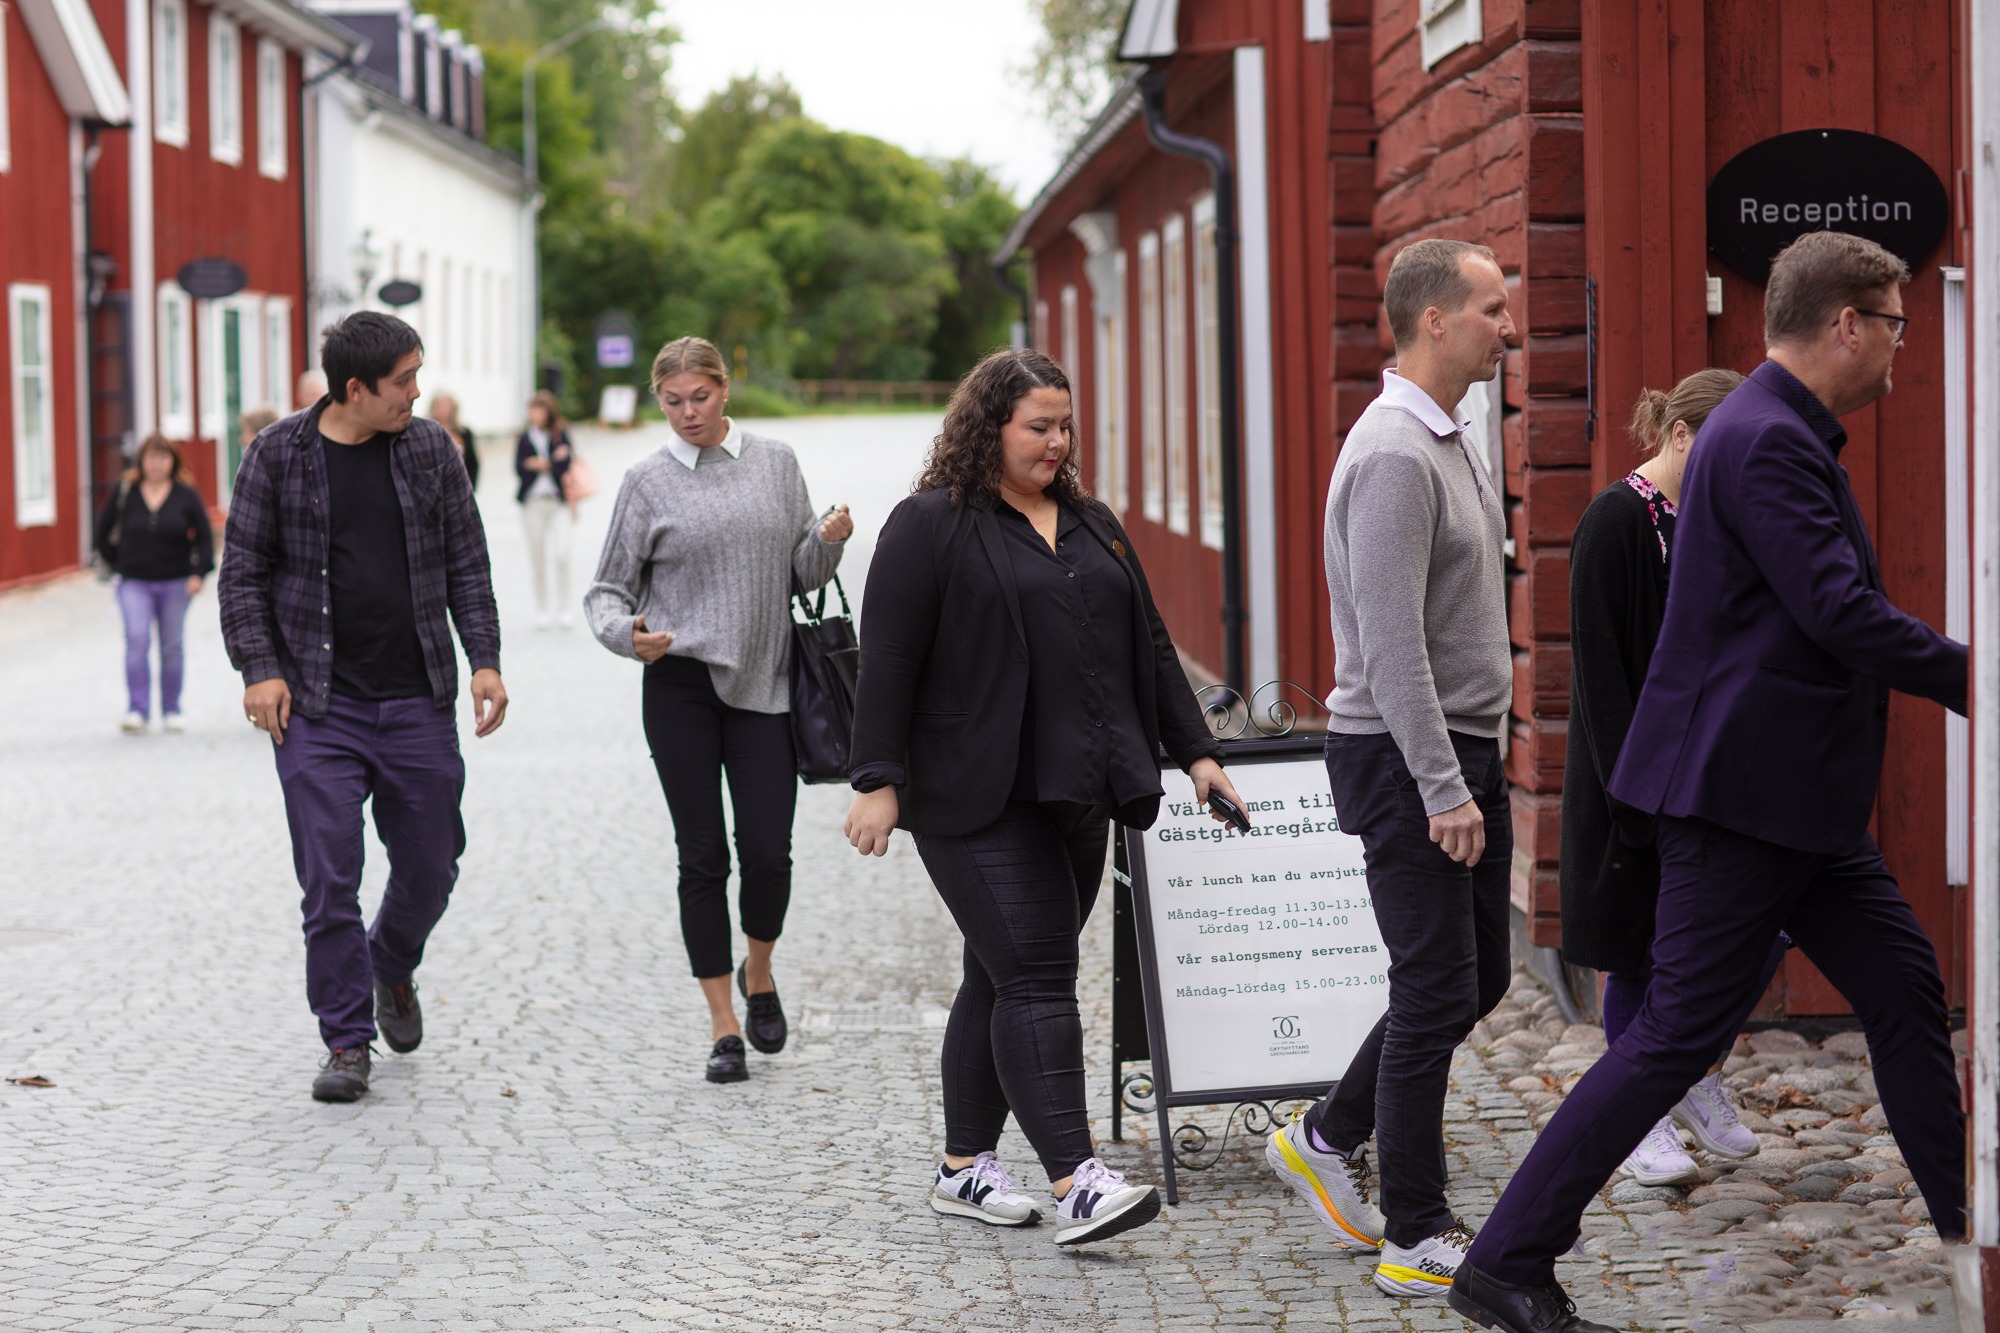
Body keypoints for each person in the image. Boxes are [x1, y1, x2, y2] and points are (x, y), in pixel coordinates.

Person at [1451, 231, 1969, 1333]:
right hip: (1741, 806)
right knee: (1669, 1038)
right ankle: (1504, 1261)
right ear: (1844, 325)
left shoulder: (1767, 431)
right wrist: (1978, 676)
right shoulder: (1767, 439)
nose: (1896, 350)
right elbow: (1836, 612)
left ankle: (1966, 1230)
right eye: (1893, 325)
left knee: (1903, 995)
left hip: (1796, 810)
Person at [843, 348, 1244, 1247]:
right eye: (1039, 426)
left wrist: (1198, 755)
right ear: (990, 426)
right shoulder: (928, 525)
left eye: (1065, 426)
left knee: (996, 973)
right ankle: (1077, 1180)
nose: (1057, 442)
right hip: (970, 796)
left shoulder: (1093, 521)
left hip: (1077, 790)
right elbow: (890, 660)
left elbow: (1148, 641)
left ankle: (962, 1168)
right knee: (1036, 974)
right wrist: (876, 779)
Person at [1262, 238, 1514, 1296]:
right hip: (1406, 756)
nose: (1509, 325)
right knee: (1430, 988)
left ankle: (1323, 1132)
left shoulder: (1450, 432)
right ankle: (1415, 1230)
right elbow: (1389, 640)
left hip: (1460, 747)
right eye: (1492, 308)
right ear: (1434, 321)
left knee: (1481, 975)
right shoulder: (1391, 455)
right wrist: (1443, 786)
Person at [219, 311, 508, 1104]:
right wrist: (259, 668)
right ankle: (347, 1039)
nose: (417, 392)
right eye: (404, 381)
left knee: (432, 861)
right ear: (356, 389)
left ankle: (392, 962)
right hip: (316, 708)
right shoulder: (277, 456)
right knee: (329, 878)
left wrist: (484, 657)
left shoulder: (429, 452)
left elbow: (466, 561)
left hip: (416, 695)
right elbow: (242, 571)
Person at [585, 335, 851, 1084]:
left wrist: (825, 541)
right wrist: (626, 634)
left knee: (768, 852)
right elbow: (606, 590)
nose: (687, 413)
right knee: (702, 856)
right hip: (680, 686)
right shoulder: (645, 481)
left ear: (724, 389)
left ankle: (758, 969)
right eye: (671, 401)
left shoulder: (776, 463)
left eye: (699, 397)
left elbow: (801, 573)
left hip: (765, 681)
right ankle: (722, 1026)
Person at [1561, 369, 1787, 1189]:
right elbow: (1601, 678)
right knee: (1641, 951)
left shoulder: (1717, 519)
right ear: (1682, 435)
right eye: (1722, 449)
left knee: (1752, 933)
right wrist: (1636, 797)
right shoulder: (1615, 523)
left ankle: (1692, 1069)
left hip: (1718, 776)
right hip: (1634, 783)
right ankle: (1637, 1117)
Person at [93, 434, 214, 733]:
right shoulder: (126, 492)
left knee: (171, 646)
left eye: (162, 458)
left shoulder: (186, 495)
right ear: (141, 462)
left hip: (175, 582)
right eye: (151, 458)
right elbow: (101, 530)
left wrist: (198, 573)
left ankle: (172, 708)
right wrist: (116, 561)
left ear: (172, 461)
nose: (156, 464)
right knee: (137, 640)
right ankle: (137, 709)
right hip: (133, 581)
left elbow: (205, 538)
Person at [515, 391, 574, 629]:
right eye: (532, 410)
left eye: (539, 410)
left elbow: (566, 464)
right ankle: (542, 607)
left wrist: (542, 463)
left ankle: (564, 607)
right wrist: (551, 462)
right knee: (537, 557)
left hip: (558, 502)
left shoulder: (560, 434)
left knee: (562, 554)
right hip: (533, 503)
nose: (534, 415)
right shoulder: (524, 438)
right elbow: (520, 468)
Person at [431, 393, 479, 491]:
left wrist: (471, 487)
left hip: (459, 483)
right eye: (440, 405)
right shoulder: (428, 434)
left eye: (447, 405)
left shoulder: (463, 432)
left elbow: (472, 462)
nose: (444, 409)